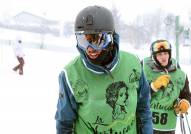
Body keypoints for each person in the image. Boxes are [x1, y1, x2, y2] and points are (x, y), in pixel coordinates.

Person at [55, 5, 153, 134]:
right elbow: (64, 122)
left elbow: (143, 109)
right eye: (83, 41)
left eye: (96, 40)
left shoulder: (133, 64)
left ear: (110, 37)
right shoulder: (70, 74)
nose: (89, 49)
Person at [142, 39, 191, 134]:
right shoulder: (144, 68)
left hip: (168, 128)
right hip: (146, 127)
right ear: (154, 56)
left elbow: (186, 95)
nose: (163, 57)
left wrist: (185, 102)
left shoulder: (179, 74)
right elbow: (135, 95)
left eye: (165, 53)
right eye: (159, 54)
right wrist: (153, 87)